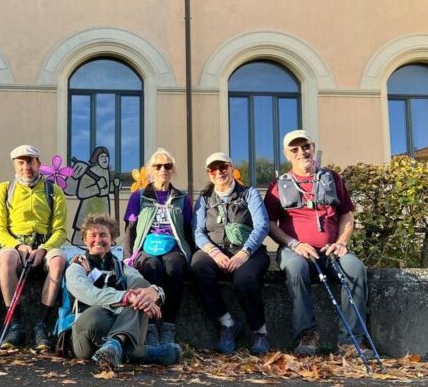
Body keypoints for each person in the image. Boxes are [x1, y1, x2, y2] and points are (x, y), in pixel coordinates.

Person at [264, 129, 369, 356]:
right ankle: (307, 335)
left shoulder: (332, 178)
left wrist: (341, 242)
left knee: (355, 268)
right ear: (287, 154)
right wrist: (293, 244)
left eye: (305, 147)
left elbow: (347, 216)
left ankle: (350, 340)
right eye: (295, 149)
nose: (301, 152)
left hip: (331, 250)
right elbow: (270, 224)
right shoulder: (277, 185)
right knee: (295, 267)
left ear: (313, 147)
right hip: (296, 251)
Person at [65, 214, 182, 370]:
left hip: (114, 326)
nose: (98, 239)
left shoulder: (123, 268)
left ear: (112, 240)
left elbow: (141, 285)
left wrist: (155, 292)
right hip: (86, 334)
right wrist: (127, 297)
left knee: (140, 294)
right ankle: (140, 354)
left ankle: (114, 347)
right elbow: (91, 295)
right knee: (96, 314)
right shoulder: (76, 268)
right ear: (85, 240)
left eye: (103, 235)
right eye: (93, 235)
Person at [191, 152, 271, 354]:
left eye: (223, 167)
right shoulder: (204, 199)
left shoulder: (249, 193)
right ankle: (227, 323)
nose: (219, 172)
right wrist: (213, 252)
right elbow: (198, 232)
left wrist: (245, 253)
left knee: (244, 281)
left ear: (231, 168)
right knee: (198, 267)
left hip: (248, 252)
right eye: (213, 169)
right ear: (209, 174)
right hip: (216, 251)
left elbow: (262, 226)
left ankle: (260, 332)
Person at [0, 144, 68, 350]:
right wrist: (17, 246)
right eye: (21, 162)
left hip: (45, 244)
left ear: (39, 164)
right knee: (6, 259)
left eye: (30, 161)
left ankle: (41, 324)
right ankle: (16, 325)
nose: (26, 166)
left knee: (59, 261)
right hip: (15, 244)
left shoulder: (55, 191)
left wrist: (43, 248)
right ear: (15, 166)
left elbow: (60, 230)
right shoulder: (3, 190)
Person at [122, 148, 193, 346]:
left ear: (173, 170)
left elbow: (188, 230)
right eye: (158, 166)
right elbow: (130, 229)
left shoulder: (182, 198)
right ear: (150, 170)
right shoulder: (139, 196)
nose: (163, 169)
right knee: (151, 268)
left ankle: (169, 325)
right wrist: (128, 257)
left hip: (173, 247)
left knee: (175, 268)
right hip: (146, 247)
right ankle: (151, 326)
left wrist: (192, 256)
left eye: (167, 166)